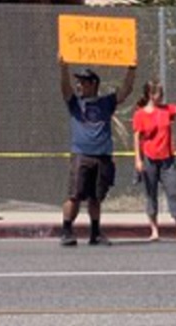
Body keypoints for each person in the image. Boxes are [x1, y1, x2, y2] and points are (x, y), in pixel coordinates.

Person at [58, 60, 136, 247]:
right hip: (81, 155)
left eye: (83, 82)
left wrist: (131, 69)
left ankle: (95, 233)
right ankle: (67, 230)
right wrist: (63, 67)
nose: (79, 85)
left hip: (102, 156)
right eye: (78, 82)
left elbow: (125, 91)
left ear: (93, 84)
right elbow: (65, 88)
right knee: (74, 195)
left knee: (95, 197)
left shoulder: (106, 102)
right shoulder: (75, 104)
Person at [133, 80, 176, 242]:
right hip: (149, 157)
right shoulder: (140, 114)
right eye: (158, 93)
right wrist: (138, 159)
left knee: (174, 192)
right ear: (150, 94)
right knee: (151, 194)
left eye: (161, 93)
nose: (161, 96)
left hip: (167, 159)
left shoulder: (166, 109)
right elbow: (136, 137)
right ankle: (154, 230)